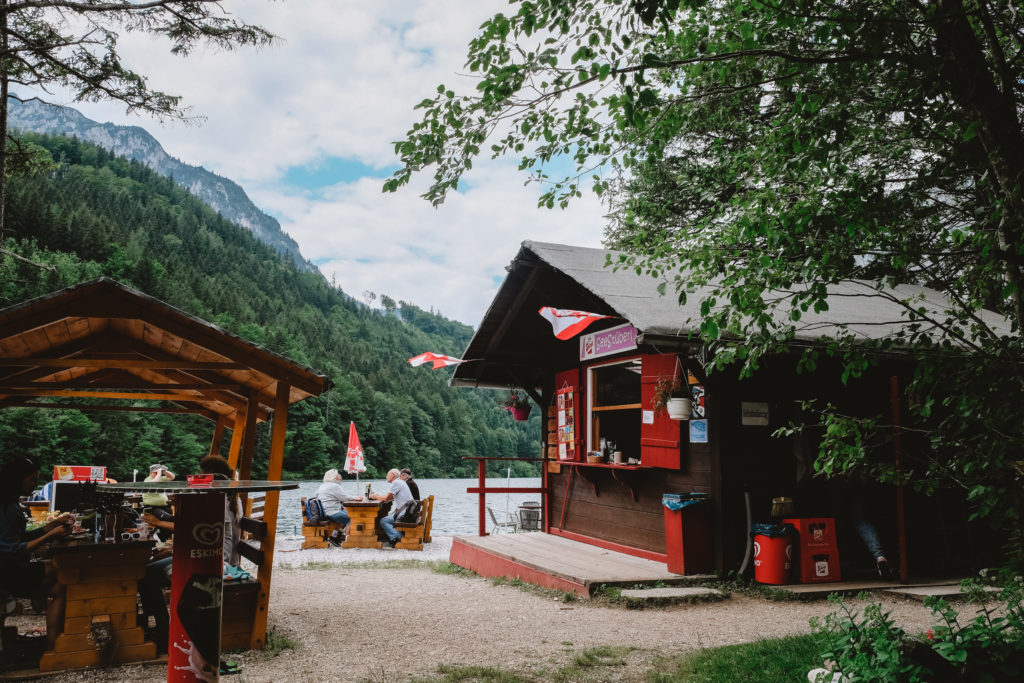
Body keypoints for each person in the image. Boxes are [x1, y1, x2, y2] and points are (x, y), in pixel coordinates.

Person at [0, 456, 73, 649]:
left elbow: (22, 537)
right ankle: (55, 643)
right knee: (65, 571)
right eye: (32, 479)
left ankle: (54, 644)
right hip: (9, 572)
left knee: (60, 588)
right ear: (17, 479)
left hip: (12, 568)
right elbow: (12, 551)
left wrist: (52, 525)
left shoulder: (10, 503)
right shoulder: (5, 508)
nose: (35, 484)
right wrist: (51, 535)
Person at [316, 469, 363, 547]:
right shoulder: (334, 486)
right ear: (333, 477)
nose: (340, 477)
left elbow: (318, 495)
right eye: (338, 475)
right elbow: (344, 498)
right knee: (352, 517)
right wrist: (357, 497)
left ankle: (334, 537)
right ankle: (347, 541)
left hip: (325, 511)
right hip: (332, 512)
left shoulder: (323, 485)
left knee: (345, 515)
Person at [369, 468, 413, 549]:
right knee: (388, 517)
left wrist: (375, 496)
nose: (386, 477)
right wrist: (379, 496)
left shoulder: (396, 482)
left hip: (404, 512)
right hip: (408, 511)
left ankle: (397, 538)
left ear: (393, 475)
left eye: (387, 475)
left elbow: (386, 498)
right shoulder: (400, 482)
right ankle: (398, 536)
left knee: (383, 521)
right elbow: (389, 497)